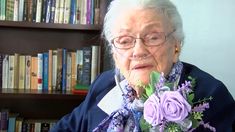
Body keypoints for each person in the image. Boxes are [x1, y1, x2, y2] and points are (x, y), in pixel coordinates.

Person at [51, 0, 235, 131]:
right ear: (115, 54)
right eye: (124, 41)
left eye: (153, 37)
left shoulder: (211, 96)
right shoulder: (103, 85)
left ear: (176, 46)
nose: (138, 51)